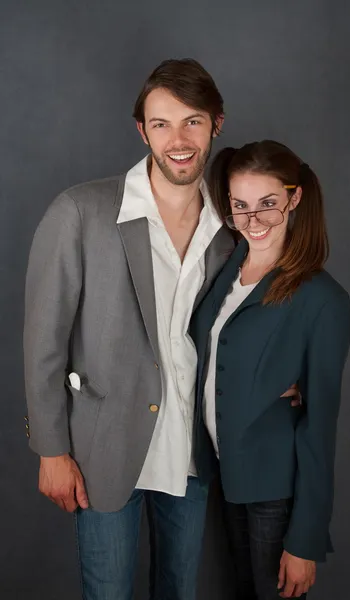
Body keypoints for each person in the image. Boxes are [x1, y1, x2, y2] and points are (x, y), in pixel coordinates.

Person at [23, 60, 299, 600]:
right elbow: (43, 341)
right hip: (101, 449)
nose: (178, 140)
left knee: (179, 590)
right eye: (161, 124)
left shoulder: (234, 225)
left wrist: (288, 373)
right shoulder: (81, 211)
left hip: (193, 450)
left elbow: (264, 307)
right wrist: (50, 450)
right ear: (141, 130)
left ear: (217, 124)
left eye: (193, 122)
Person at [190, 140, 350, 599]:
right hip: (222, 476)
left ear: (294, 198)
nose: (253, 221)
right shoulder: (226, 269)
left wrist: (304, 540)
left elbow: (320, 429)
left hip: (274, 493)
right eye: (240, 207)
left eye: (268, 205)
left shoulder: (322, 299)